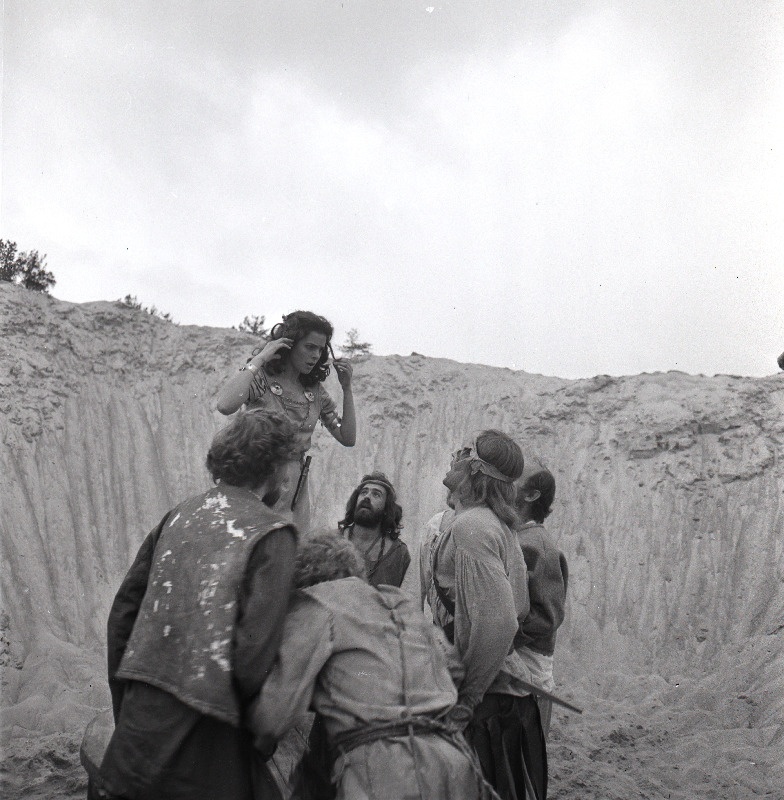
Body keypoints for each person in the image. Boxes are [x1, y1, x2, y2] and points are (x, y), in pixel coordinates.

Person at [98, 410, 299, 800]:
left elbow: (122, 618)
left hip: (135, 739)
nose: (289, 479)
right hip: (206, 752)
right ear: (273, 467)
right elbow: (253, 660)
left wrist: (129, 709)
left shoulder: (178, 515)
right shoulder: (273, 534)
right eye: (287, 466)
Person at [250, 532, 500, 800]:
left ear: (300, 578)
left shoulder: (315, 603)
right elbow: (454, 669)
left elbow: (272, 719)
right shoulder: (400, 603)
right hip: (452, 764)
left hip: (382, 774)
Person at [428, 430, 547, 800]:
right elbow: (520, 606)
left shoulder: (472, 527)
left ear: (475, 471)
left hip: (486, 705)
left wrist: (465, 703)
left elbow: (501, 623)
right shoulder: (497, 524)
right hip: (504, 700)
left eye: (464, 452)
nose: (456, 456)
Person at [216, 311, 356, 532]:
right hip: (257, 479)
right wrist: (260, 359)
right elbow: (225, 405)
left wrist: (347, 388)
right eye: (310, 347)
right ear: (289, 345)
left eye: (320, 349)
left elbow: (347, 437)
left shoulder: (315, 393)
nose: (316, 355)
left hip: (295, 489)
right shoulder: (261, 379)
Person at [513, 459, 568, 739]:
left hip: (528, 675)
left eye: (513, 477)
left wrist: (500, 635)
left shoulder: (538, 546)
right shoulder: (516, 537)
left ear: (531, 494)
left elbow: (548, 617)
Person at [338, 471, 410, 587]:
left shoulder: (399, 553)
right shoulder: (331, 542)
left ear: (387, 508)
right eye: (363, 492)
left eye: (376, 494)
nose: (367, 497)